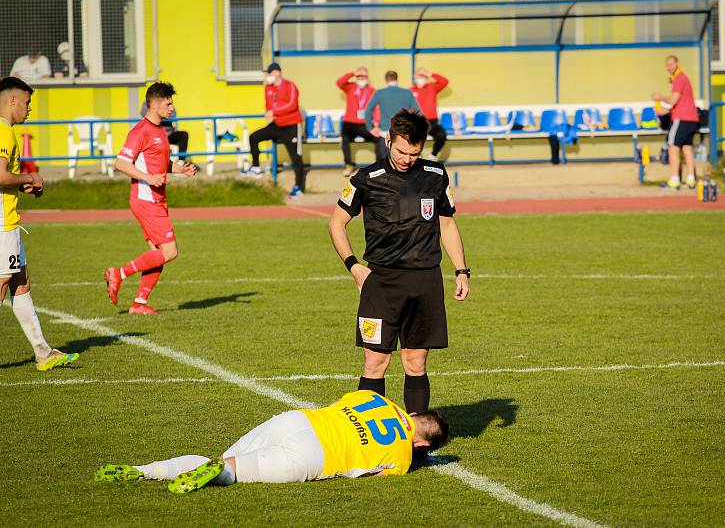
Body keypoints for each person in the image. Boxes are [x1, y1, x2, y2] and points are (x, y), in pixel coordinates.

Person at [328, 109, 470, 415]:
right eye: (401, 150)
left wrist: (461, 270)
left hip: (425, 282)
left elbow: (446, 225)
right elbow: (336, 223)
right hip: (381, 283)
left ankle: (417, 440)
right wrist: (354, 266)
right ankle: (368, 437)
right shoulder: (365, 179)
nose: (407, 158)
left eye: (414, 153)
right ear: (388, 140)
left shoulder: (436, 176)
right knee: (375, 362)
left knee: (415, 362)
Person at [94, 390, 449, 494]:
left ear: (417, 415)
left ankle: (144, 470)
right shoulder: (403, 456)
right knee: (229, 472)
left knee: (218, 458)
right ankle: (220, 471)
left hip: (298, 420)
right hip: (313, 457)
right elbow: (372, 473)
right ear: (422, 444)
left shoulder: (375, 397)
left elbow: (342, 402)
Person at [0, 77, 78, 371]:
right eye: (27, 102)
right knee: (3, 285)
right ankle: (44, 352)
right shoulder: (4, 133)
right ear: (12, 101)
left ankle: (43, 352)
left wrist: (21, 185)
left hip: (9, 220)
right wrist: (28, 178)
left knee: (21, 283)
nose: (29, 109)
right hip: (2, 224)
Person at [103, 82, 197, 315]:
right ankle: (118, 273)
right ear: (153, 104)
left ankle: (139, 304)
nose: (172, 107)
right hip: (146, 200)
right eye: (168, 102)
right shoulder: (140, 131)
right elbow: (120, 163)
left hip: (157, 199)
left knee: (158, 255)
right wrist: (147, 178)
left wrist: (181, 170)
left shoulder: (161, 131)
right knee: (170, 251)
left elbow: (161, 164)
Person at [246, 63, 306, 197]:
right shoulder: (268, 87)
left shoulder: (290, 85)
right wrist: (268, 113)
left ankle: (299, 187)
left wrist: (274, 111)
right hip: (276, 125)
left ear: (277, 73)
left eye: (270, 73)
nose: (268, 76)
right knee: (254, 137)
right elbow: (268, 105)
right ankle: (255, 167)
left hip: (291, 125)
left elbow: (292, 105)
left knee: (295, 157)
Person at [652, 55, 698, 190]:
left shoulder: (679, 78)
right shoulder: (683, 78)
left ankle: (674, 179)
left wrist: (660, 97)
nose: (669, 67)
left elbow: (673, 100)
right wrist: (666, 110)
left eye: (671, 64)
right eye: (667, 65)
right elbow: (679, 103)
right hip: (691, 119)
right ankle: (691, 179)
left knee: (672, 147)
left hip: (682, 119)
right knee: (687, 147)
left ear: (677, 63)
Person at [364, 71, 421, 161]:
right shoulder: (407, 93)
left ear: (386, 80)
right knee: (404, 164)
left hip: (385, 134)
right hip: (404, 133)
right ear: (397, 79)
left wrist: (370, 128)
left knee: (383, 166)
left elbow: (367, 111)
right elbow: (418, 112)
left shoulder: (379, 93)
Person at [336, 67, 380, 177]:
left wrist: (376, 122)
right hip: (349, 123)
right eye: (359, 76)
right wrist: (352, 73)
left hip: (365, 124)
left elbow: (376, 107)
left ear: (367, 77)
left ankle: (378, 166)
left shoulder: (372, 90)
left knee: (379, 138)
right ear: (356, 77)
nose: (362, 78)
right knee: (345, 138)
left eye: (364, 76)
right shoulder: (350, 87)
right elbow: (339, 82)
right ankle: (349, 164)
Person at [410, 67, 449, 160]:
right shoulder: (410, 91)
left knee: (441, 135)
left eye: (423, 75)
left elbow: (445, 81)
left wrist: (429, 74)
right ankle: (417, 159)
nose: (421, 77)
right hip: (417, 123)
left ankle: (433, 156)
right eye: (419, 75)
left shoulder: (432, 87)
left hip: (432, 123)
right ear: (414, 77)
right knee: (413, 139)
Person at [139, 101, 192, 166]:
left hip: (168, 134)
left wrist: (157, 115)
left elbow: (173, 115)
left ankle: (180, 162)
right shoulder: (147, 103)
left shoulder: (168, 102)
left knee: (184, 135)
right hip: (153, 135)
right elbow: (145, 115)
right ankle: (143, 162)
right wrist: (162, 115)